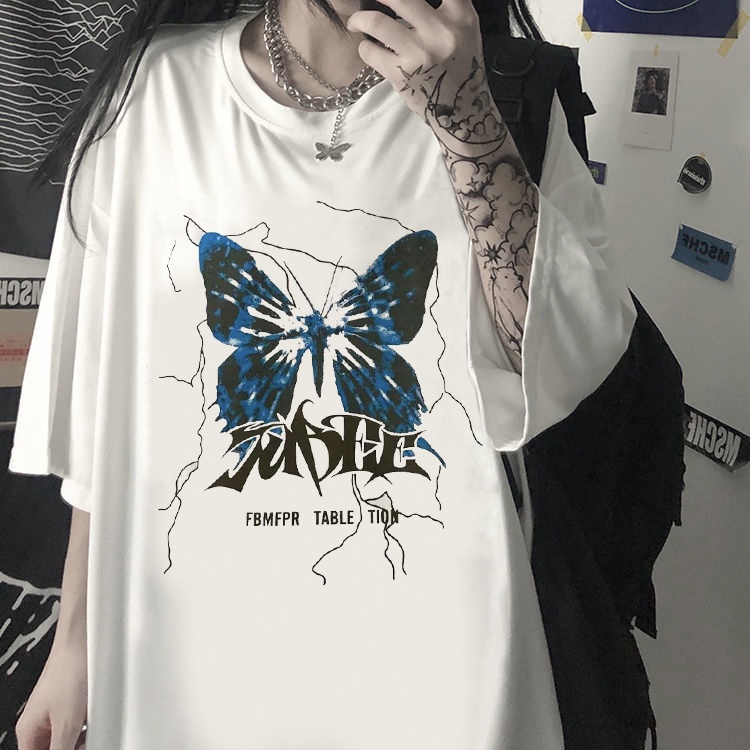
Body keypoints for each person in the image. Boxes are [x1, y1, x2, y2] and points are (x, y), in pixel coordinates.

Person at [10, 0, 638, 748]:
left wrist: (466, 122)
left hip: (444, 682)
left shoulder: (508, 93)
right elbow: (105, 410)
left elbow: (561, 368)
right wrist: (73, 643)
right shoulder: (152, 92)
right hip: (190, 672)